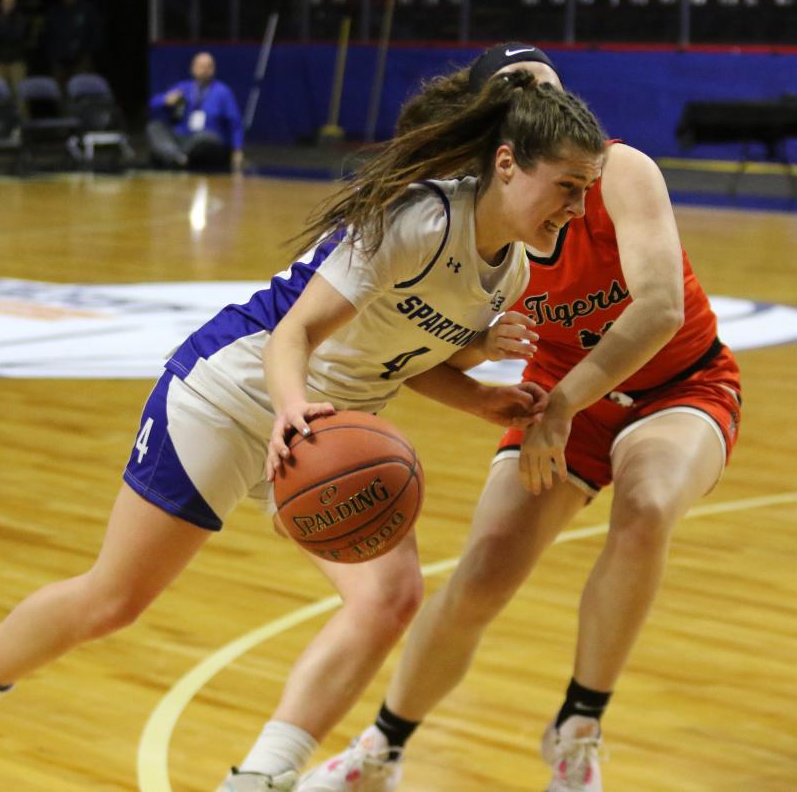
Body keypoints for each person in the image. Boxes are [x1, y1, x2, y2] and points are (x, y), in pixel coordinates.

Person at [0, 71, 608, 792]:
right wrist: (292, 409)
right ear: (508, 163)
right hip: (234, 392)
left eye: (587, 190)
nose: (579, 208)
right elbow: (292, 335)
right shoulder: (418, 220)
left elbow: (395, 356)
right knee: (115, 598)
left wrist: (478, 391)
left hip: (324, 425)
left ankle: (262, 776)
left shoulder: (511, 271)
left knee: (390, 598)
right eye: (569, 186)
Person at [299, 43, 743, 792]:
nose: (543, 95)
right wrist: (477, 373)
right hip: (556, 394)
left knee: (648, 504)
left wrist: (563, 406)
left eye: (551, 84)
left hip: (679, 387)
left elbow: (661, 306)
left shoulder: (616, 170)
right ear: (498, 137)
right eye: (521, 88)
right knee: (481, 577)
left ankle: (578, 725)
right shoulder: (464, 216)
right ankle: (380, 749)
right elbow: (406, 346)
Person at [147, 51, 245, 173]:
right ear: (193, 68)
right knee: (155, 127)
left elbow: (235, 122)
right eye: (200, 66)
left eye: (208, 66)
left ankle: (178, 157)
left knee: (207, 138)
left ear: (213, 69)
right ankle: (179, 157)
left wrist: (237, 149)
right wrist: (165, 100)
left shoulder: (223, 91)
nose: (204, 70)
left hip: (206, 139)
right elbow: (152, 103)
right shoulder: (183, 88)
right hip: (182, 137)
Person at [44, 0, 101, 94]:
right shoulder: (55, 10)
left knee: (80, 93)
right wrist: (53, 54)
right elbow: (48, 34)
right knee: (59, 93)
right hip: (59, 61)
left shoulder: (87, 9)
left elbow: (96, 33)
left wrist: (86, 53)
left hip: (81, 61)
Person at [0, 0, 29, 92]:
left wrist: (2, 30)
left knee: (19, 94)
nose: (8, 5)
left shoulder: (21, 18)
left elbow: (18, 35)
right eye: (5, 2)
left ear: (15, 4)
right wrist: (6, 30)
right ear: (0, 3)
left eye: (11, 2)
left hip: (16, 61)